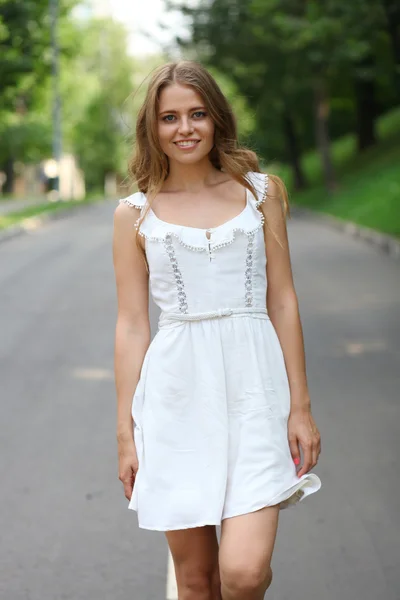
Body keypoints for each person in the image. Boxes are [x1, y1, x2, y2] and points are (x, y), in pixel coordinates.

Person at [112, 60, 322, 600]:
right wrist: (125, 434)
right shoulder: (134, 216)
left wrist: (300, 406)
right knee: (198, 581)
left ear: (216, 118)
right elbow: (133, 325)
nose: (185, 128)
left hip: (255, 392)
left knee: (245, 574)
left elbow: (283, 299)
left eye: (197, 113)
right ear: (152, 129)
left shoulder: (260, 194)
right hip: (176, 398)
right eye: (169, 117)